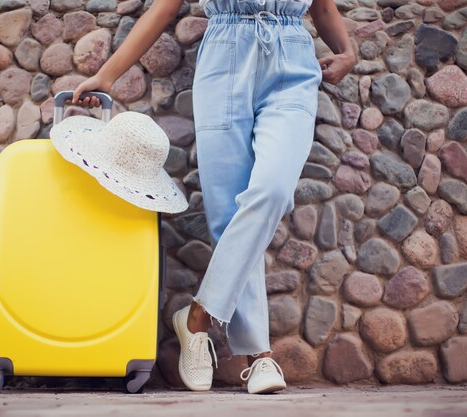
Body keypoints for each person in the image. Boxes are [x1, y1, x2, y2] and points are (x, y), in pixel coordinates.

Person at [72, 0, 356, 394]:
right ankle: (259, 357)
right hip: (224, 59)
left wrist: (348, 52)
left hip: (292, 65)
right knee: (227, 212)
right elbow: (163, 8)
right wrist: (107, 77)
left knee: (270, 190)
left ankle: (198, 316)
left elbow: (322, 7)